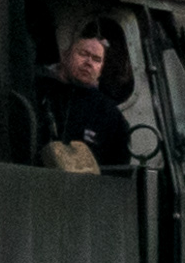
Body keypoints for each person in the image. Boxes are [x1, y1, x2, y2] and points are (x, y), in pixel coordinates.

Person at [36, 24, 133, 173]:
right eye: (83, 54)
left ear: (101, 68)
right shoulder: (39, 93)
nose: (89, 63)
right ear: (66, 55)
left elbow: (119, 171)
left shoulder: (110, 116)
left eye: (96, 59)